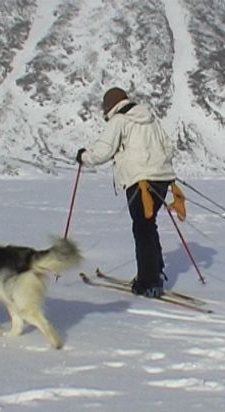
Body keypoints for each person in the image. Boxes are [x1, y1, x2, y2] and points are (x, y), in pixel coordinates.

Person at [76, 87, 176, 298]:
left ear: (110, 105)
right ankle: (154, 273)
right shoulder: (151, 119)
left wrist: (84, 156)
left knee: (142, 228)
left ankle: (148, 283)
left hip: (140, 182)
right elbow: (169, 147)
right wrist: (158, 166)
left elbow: (103, 152)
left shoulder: (119, 120)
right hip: (162, 179)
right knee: (148, 225)